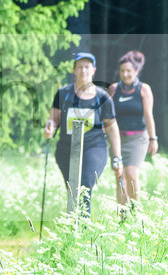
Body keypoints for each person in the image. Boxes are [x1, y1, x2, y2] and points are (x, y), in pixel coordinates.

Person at [43, 52, 123, 215]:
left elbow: (112, 128)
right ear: (73, 70)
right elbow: (53, 120)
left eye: (87, 67)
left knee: (85, 186)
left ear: (94, 70)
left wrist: (117, 157)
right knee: (73, 189)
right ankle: (73, 228)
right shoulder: (63, 94)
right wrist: (49, 128)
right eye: (79, 67)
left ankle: (83, 229)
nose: (83, 70)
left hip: (94, 147)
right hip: (66, 148)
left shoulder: (103, 97)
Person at [108, 50, 157, 203]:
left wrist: (152, 138)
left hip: (138, 139)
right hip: (117, 140)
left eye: (129, 71)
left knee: (131, 173)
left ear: (136, 71)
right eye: (122, 71)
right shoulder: (113, 89)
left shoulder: (144, 89)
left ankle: (135, 211)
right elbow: (107, 116)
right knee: (119, 177)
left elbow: (148, 116)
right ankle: (122, 215)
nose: (125, 74)